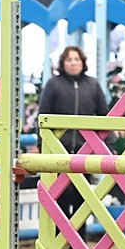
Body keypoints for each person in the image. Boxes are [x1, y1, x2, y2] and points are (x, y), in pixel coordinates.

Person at [37, 45, 108, 222]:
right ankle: (59, 235)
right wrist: (42, 146)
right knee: (61, 195)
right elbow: (43, 115)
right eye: (69, 60)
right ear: (63, 63)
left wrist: (107, 146)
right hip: (59, 148)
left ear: (83, 62)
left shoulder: (93, 85)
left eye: (76, 59)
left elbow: (104, 116)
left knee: (82, 196)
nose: (73, 63)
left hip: (85, 149)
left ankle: (79, 240)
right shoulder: (53, 85)